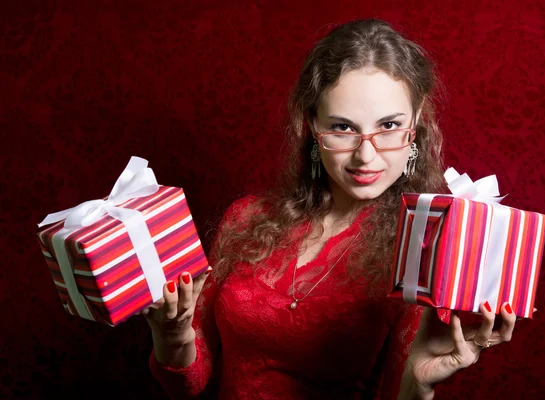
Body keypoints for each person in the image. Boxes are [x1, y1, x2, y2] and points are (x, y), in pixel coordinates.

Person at [141, 19, 517, 399]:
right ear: (311, 127)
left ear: (416, 124)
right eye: (342, 127)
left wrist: (418, 384)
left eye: (388, 125)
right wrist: (171, 334)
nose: (366, 155)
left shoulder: (423, 255)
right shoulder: (246, 219)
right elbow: (188, 384)